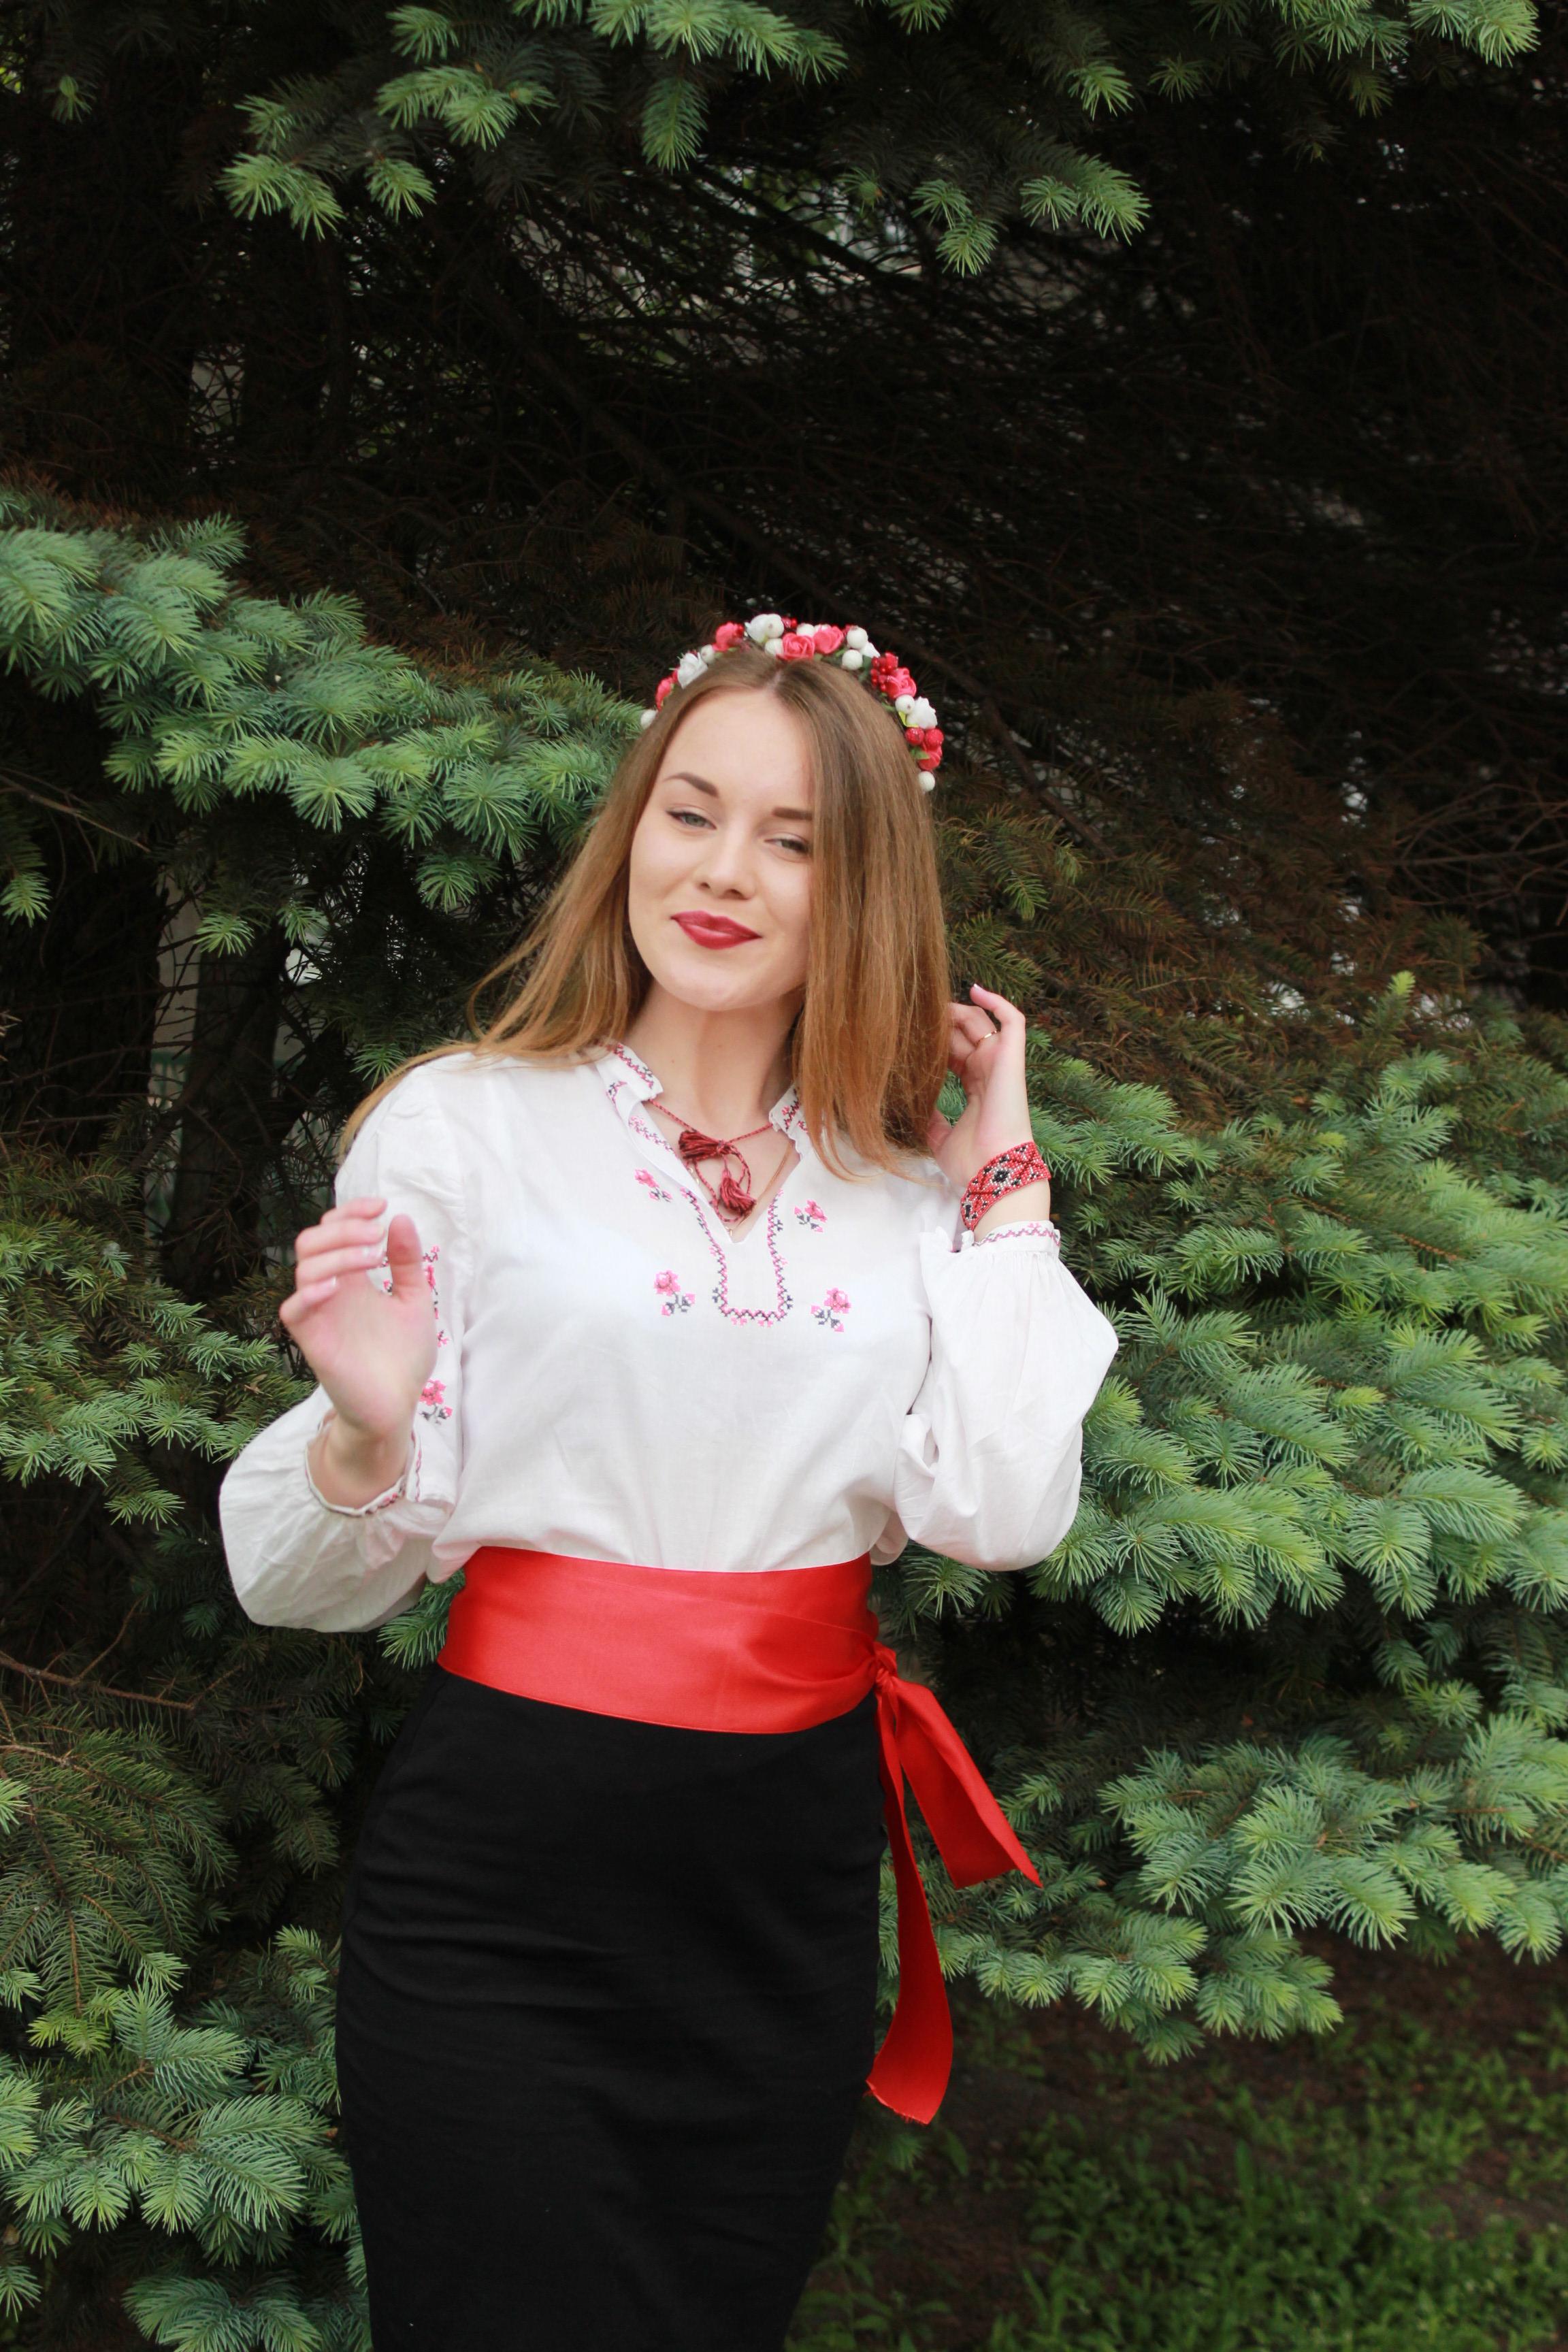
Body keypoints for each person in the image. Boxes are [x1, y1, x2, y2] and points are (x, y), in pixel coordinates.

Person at [218, 614, 1119, 2352]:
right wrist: (367, 1434)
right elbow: (290, 1575)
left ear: (862, 887)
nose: (722, 872)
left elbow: (1004, 1513)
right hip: (507, 1874)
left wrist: (1000, 1179)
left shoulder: (907, 1200)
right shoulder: (463, 1130)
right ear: (633, 827)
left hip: (780, 1883)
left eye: (793, 840)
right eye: (690, 813)